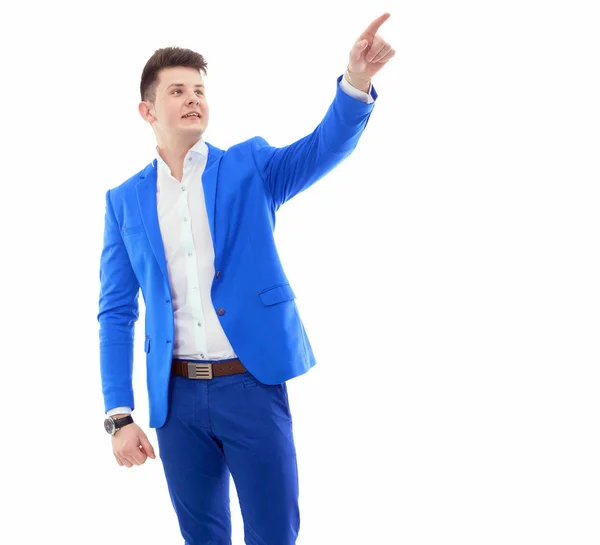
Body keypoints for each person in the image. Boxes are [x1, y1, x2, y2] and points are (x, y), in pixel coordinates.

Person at [97, 12, 395, 545]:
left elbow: (323, 147)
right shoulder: (124, 202)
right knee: (202, 537)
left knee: (274, 534)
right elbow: (117, 311)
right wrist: (120, 416)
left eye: (199, 89)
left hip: (251, 384)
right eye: (177, 91)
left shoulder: (248, 167)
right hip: (176, 399)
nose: (193, 98)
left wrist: (356, 83)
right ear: (147, 110)